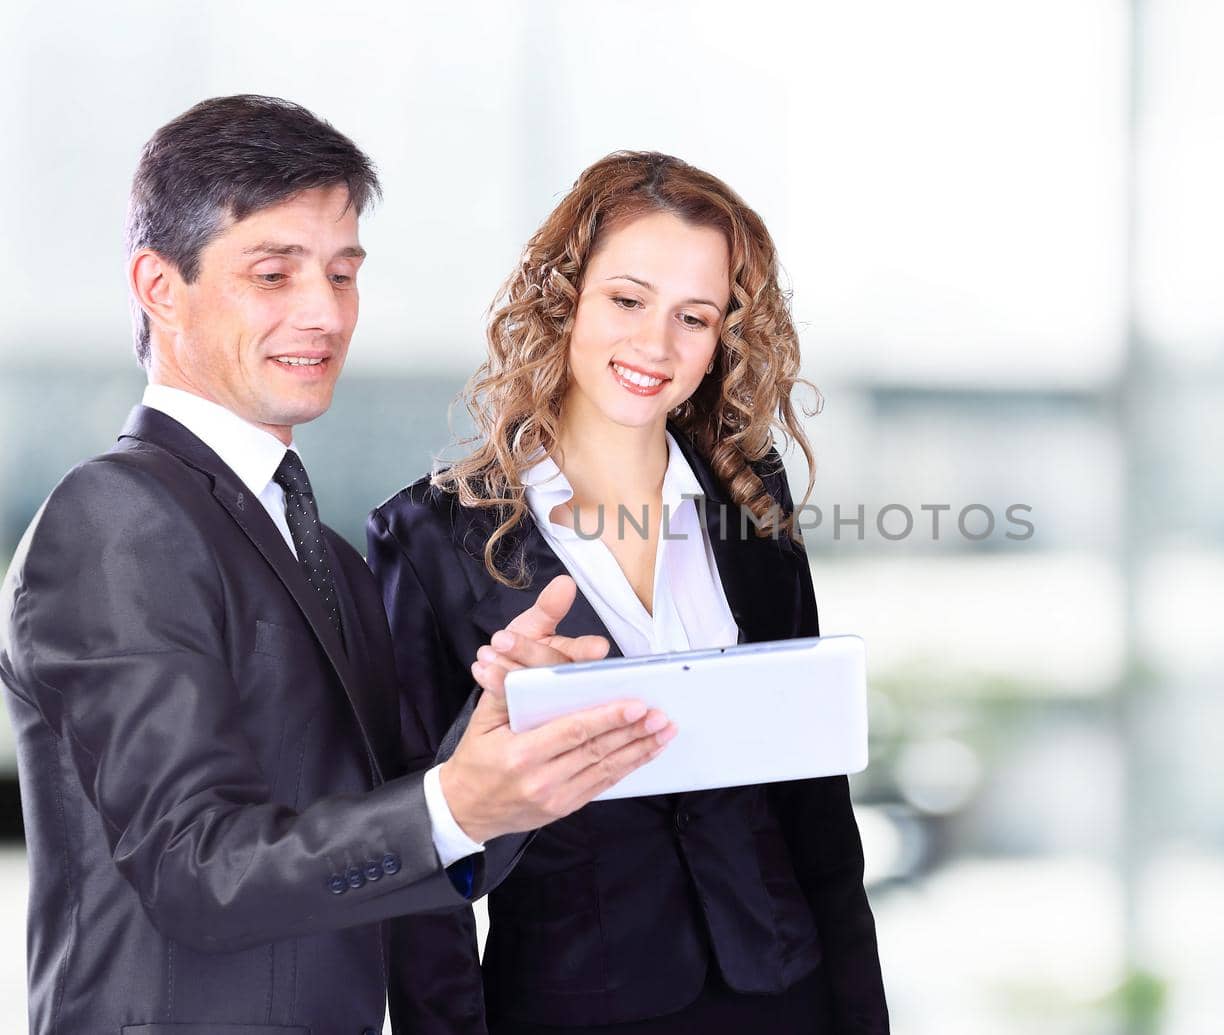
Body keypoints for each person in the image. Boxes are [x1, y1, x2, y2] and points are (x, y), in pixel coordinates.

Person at [0, 96, 675, 1035]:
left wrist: (499, 746)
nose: (323, 312)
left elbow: (394, 850)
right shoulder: (116, 516)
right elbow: (197, 867)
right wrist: (451, 798)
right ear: (158, 285)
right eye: (273, 272)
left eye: (343, 273)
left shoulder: (328, 556)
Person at [370, 151, 890, 1034]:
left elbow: (818, 817)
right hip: (571, 1007)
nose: (656, 345)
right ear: (565, 296)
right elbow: (424, 875)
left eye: (696, 315)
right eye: (627, 300)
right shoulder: (428, 538)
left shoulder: (749, 504)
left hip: (783, 998)